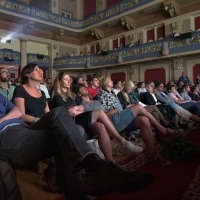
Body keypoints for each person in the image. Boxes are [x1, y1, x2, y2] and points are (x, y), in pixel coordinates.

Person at [10, 63, 154, 199]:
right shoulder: (20, 89)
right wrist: (39, 120)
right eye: (36, 69)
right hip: (33, 125)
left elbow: (47, 112)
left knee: (76, 129)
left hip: (48, 122)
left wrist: (52, 119)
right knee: (60, 113)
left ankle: (66, 171)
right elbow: (21, 114)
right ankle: (94, 167)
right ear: (27, 74)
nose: (41, 71)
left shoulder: (41, 92)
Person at [76, 83, 182, 165]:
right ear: (79, 94)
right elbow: (97, 119)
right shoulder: (82, 105)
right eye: (82, 88)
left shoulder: (96, 102)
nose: (85, 88)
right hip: (108, 122)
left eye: (85, 87)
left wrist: (112, 110)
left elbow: (106, 111)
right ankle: (163, 130)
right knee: (139, 107)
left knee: (143, 120)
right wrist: (111, 112)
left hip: (114, 118)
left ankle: (151, 154)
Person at [51, 72, 143, 161]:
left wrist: (76, 107)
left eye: (69, 79)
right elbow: (65, 114)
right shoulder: (57, 97)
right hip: (71, 122)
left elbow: (82, 107)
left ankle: (110, 162)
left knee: (100, 126)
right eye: (66, 79)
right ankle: (122, 142)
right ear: (59, 82)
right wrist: (79, 111)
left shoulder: (72, 96)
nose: (69, 81)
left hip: (81, 117)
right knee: (99, 112)